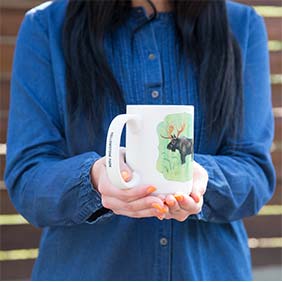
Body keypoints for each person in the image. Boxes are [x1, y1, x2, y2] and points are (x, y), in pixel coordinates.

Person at [4, 0, 276, 280]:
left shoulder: (242, 26)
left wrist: (203, 180)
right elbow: (27, 177)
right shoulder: (46, 26)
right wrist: (95, 179)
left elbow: (255, 171)